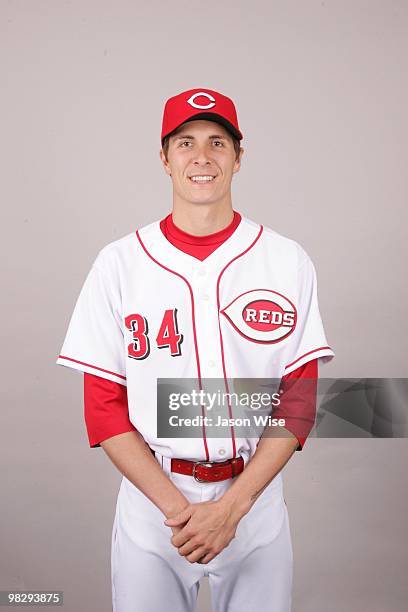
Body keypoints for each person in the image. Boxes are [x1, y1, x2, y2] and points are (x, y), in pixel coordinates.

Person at [56, 87, 334, 611]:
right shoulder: (119, 265)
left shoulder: (285, 259)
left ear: (238, 156)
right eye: (185, 143)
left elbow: (297, 405)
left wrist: (231, 509)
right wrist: (180, 512)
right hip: (153, 504)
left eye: (217, 142)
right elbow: (103, 409)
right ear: (164, 158)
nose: (201, 157)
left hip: (253, 499)